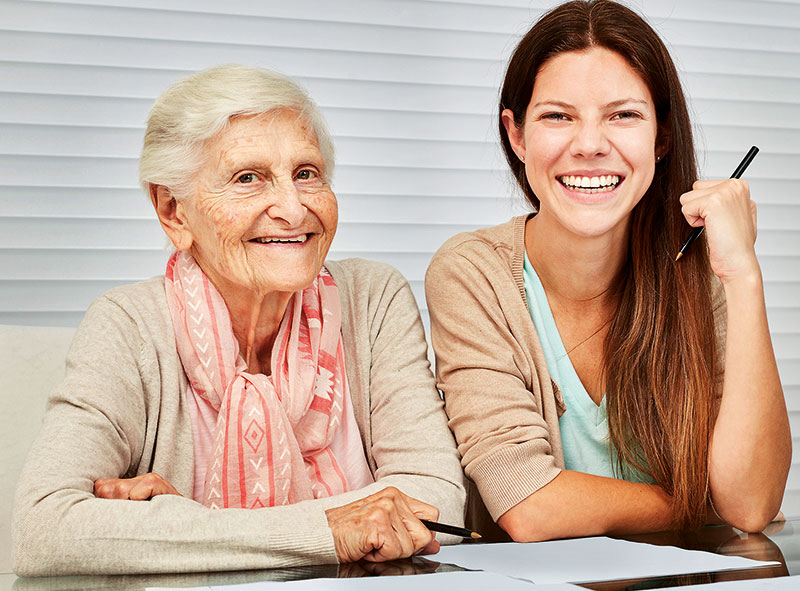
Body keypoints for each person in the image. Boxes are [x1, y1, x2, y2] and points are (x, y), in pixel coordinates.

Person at [13, 64, 465, 576]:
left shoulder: (373, 299)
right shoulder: (128, 325)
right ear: (173, 211)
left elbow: (437, 503)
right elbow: (43, 528)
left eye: (306, 174)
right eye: (248, 179)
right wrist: (330, 530)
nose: (293, 210)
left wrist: (183, 525)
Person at [425, 0, 790, 543]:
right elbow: (528, 504)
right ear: (517, 134)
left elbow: (752, 502)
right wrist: (699, 505)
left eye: (623, 115)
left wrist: (742, 273)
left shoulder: (702, 271)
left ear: (661, 137)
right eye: (557, 115)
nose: (590, 144)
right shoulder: (474, 273)